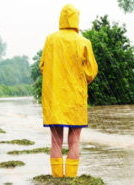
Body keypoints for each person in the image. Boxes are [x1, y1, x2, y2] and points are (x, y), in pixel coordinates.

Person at [39, 4, 98, 178]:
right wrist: (80, 78)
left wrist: (55, 75)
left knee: (56, 141)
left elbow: (42, 67)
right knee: (75, 140)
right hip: (76, 98)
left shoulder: (51, 40)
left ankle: (58, 179)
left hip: (54, 97)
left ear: (61, 18)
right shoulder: (84, 42)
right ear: (76, 19)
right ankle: (71, 178)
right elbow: (92, 71)